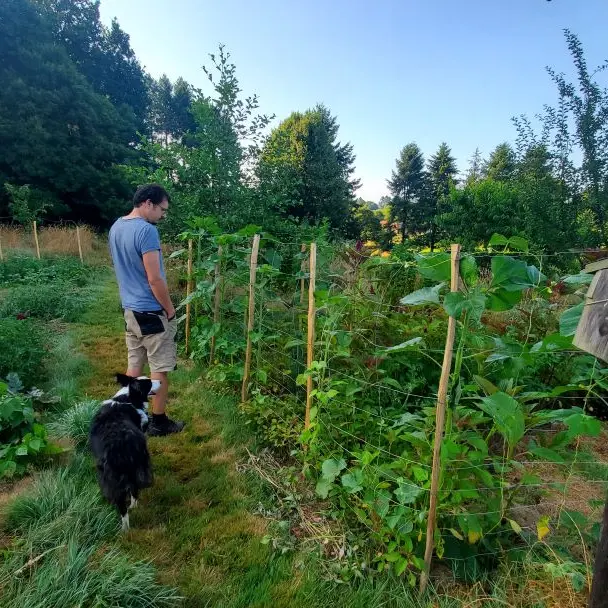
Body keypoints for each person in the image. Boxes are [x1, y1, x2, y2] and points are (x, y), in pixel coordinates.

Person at [108, 184, 184, 436]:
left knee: (134, 366)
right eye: (162, 209)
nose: (163, 215)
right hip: (150, 312)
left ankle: (123, 417)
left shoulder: (116, 227)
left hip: (129, 310)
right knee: (159, 370)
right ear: (148, 203)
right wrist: (169, 308)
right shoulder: (146, 231)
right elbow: (155, 279)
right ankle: (159, 422)